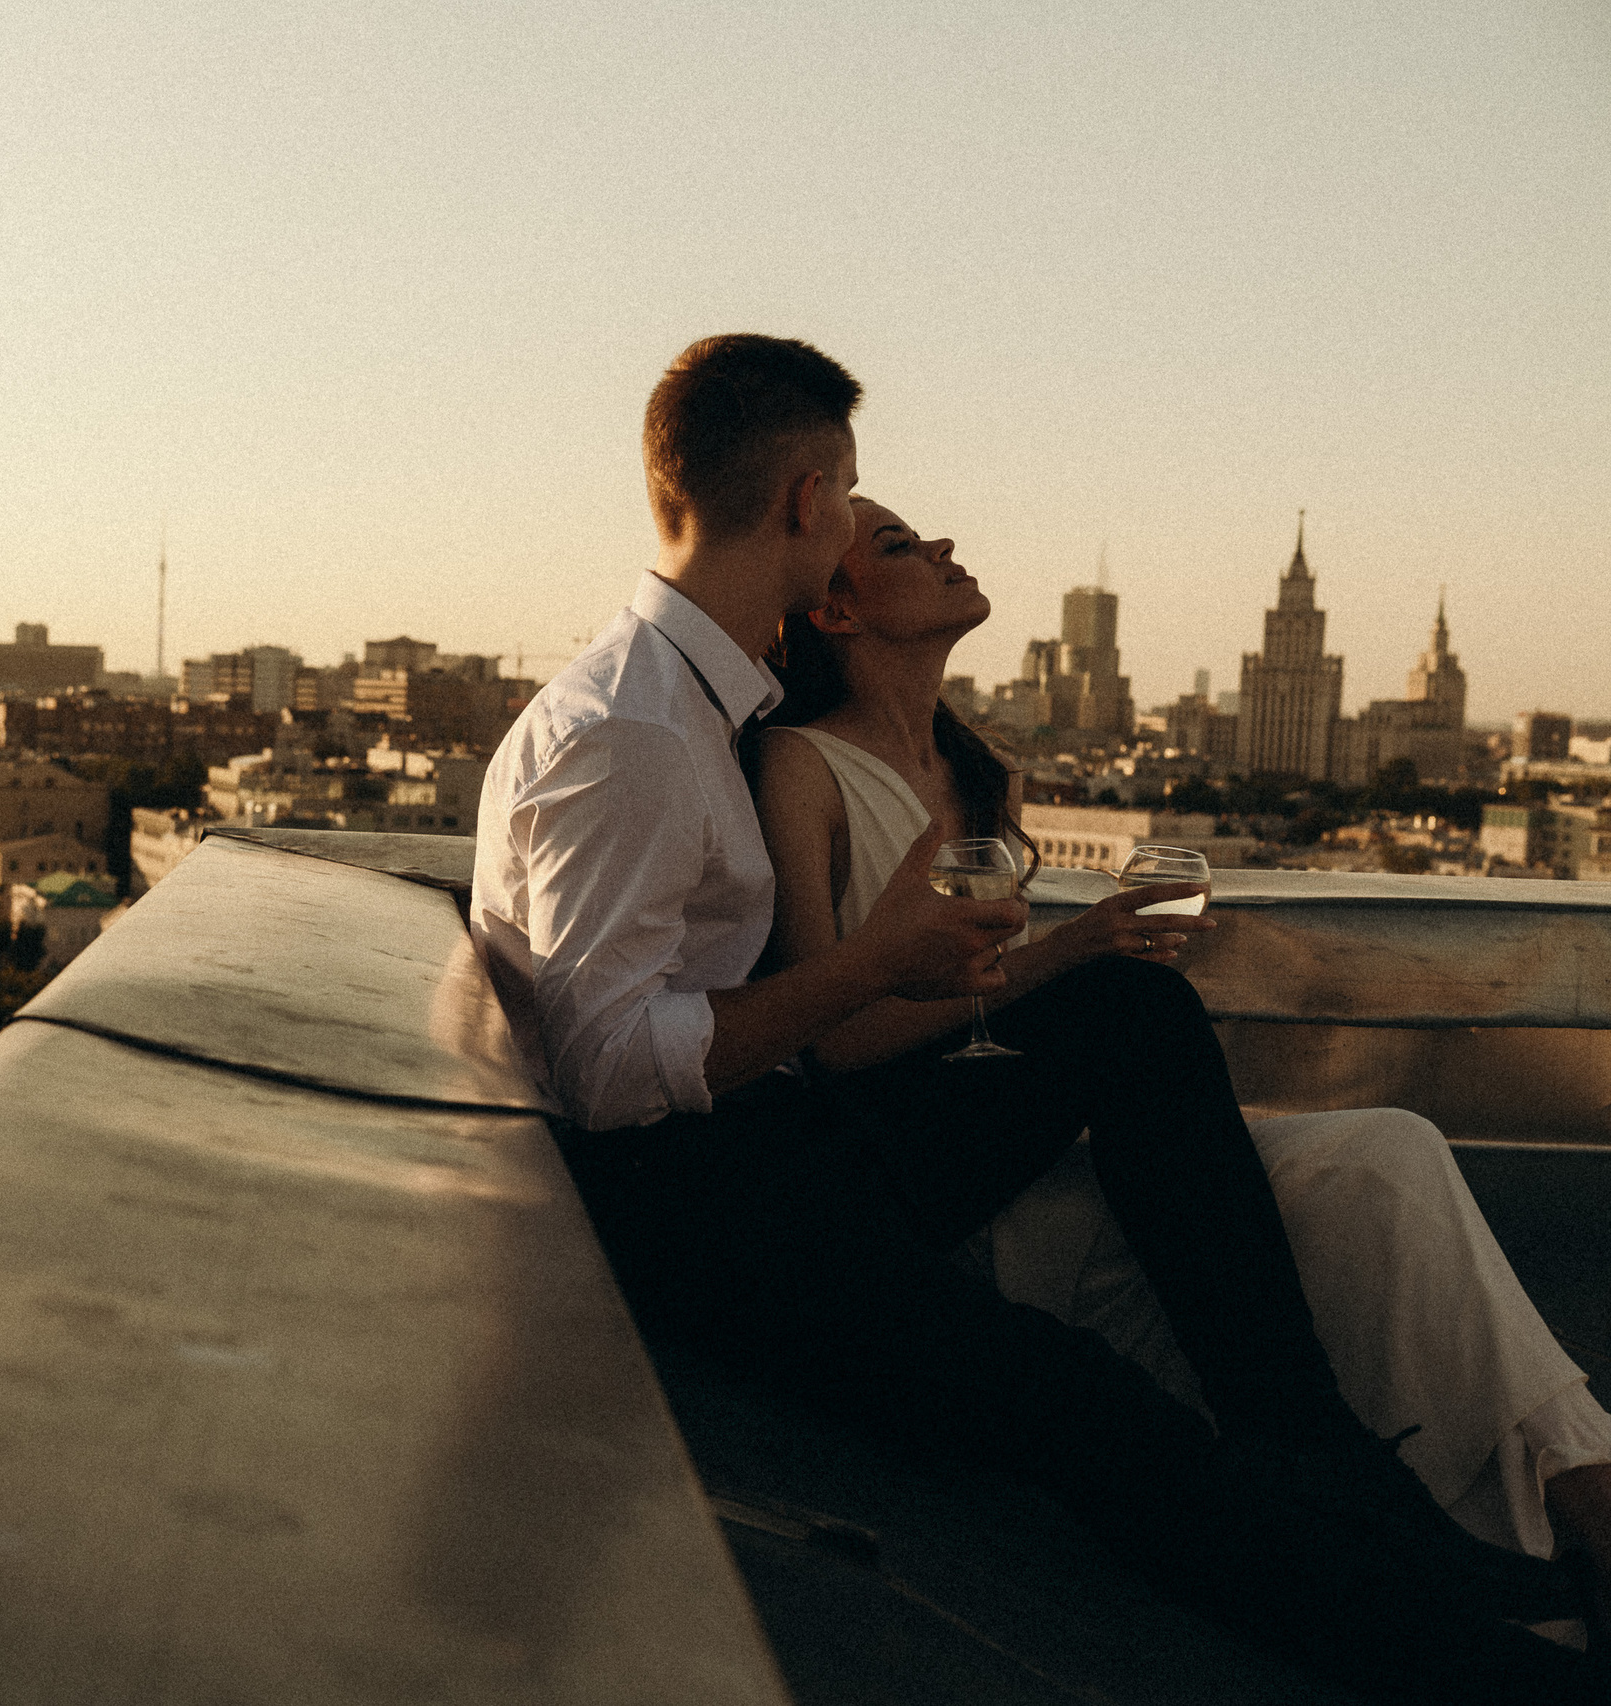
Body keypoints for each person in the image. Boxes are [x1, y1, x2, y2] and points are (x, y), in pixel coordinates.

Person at [469, 333, 1603, 1701]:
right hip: (707, 1212)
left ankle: (1327, 1464)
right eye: (857, 499)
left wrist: (953, 964)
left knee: (1124, 1010)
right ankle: (1470, 1662)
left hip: (777, 1147)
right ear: (805, 501)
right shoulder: (637, 730)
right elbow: (608, 1073)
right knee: (1083, 1415)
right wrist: (872, 962)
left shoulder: (705, 702)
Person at [749, 492, 1611, 1625]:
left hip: (1058, 1128)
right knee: (1158, 1033)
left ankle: (1555, 1507)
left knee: (1389, 1150)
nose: (947, 545)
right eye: (901, 545)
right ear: (836, 608)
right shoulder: (799, 767)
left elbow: (993, 989)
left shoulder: (985, 774)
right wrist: (1075, 950)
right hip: (959, 1180)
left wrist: (1074, 957)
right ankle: (1404, 1509)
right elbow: (828, 1043)